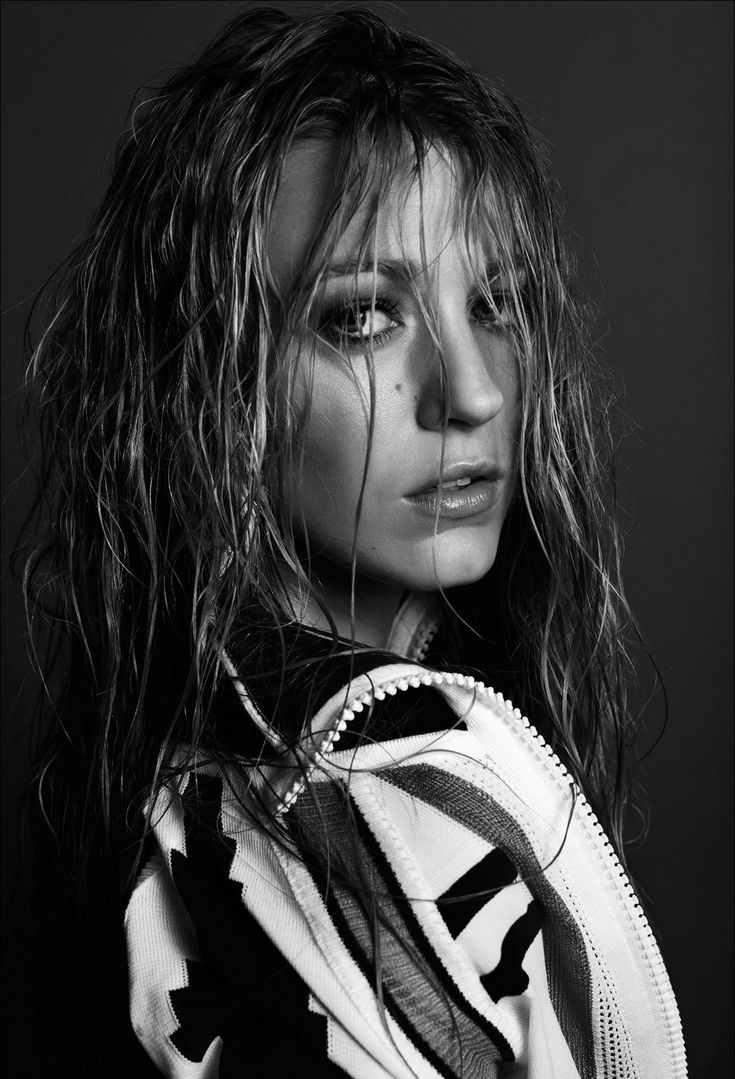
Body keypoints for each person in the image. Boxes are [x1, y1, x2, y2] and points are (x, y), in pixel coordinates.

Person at [19, 6, 687, 1077]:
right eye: (363, 317)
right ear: (214, 387)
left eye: (498, 301)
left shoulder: (389, 765)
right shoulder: (334, 818)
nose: (472, 392)